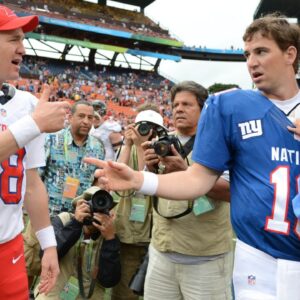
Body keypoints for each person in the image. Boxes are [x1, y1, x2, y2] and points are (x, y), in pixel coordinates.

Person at [85, 15, 300, 299]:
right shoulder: (231, 106)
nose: (251, 62)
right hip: (257, 257)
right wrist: (139, 179)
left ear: (290, 54)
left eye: (261, 51)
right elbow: (197, 179)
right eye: (247, 54)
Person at [0, 5, 70, 299]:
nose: (23, 48)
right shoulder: (32, 117)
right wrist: (33, 125)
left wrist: (49, 244)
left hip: (10, 247)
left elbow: (31, 182)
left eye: (23, 39)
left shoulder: (27, 105)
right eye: (13, 39)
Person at [141, 81, 232, 300]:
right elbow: (146, 193)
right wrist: (150, 168)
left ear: (203, 109)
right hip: (162, 250)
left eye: (187, 104)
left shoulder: (221, 142)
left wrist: (188, 172)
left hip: (205, 257)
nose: (179, 109)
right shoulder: (161, 142)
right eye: (175, 105)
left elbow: (229, 191)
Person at [24, 100, 105, 286]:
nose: (86, 121)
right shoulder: (52, 139)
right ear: (70, 117)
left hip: (73, 222)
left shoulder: (97, 147)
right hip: (45, 218)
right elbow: (36, 178)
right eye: (81, 116)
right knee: (30, 265)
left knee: (60, 273)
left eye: (90, 117)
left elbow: (94, 182)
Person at [111, 104, 164, 300]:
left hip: (156, 232)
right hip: (130, 232)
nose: (146, 131)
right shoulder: (129, 147)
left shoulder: (164, 148)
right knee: (126, 290)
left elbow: (147, 180)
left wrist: (145, 146)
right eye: (143, 126)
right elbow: (117, 175)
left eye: (151, 127)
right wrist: (128, 144)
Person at [32, 187, 121, 300]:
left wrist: (110, 240)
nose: (94, 212)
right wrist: (75, 224)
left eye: (101, 209)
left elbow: (109, 281)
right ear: (80, 205)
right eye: (90, 205)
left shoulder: (109, 235)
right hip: (54, 294)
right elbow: (44, 254)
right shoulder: (64, 220)